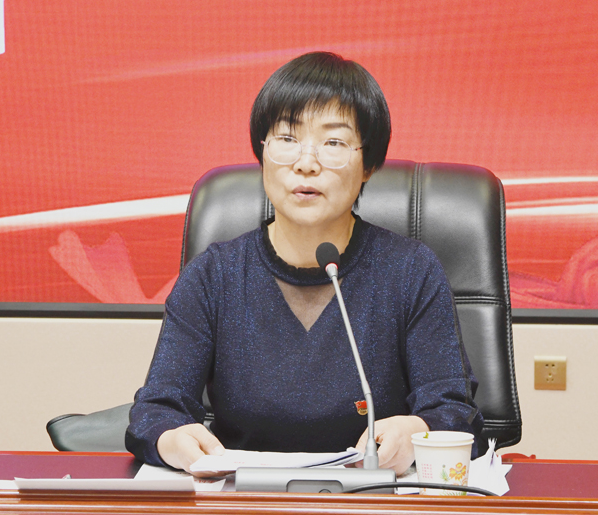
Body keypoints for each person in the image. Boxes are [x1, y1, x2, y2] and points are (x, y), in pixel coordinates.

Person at [126, 52, 484, 476]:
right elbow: (156, 411)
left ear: (368, 165)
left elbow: (453, 411)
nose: (306, 163)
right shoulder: (214, 276)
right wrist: (171, 438)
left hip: (372, 496)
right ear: (263, 152)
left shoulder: (410, 272)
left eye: (333, 143)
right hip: (243, 499)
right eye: (287, 138)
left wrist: (419, 431)